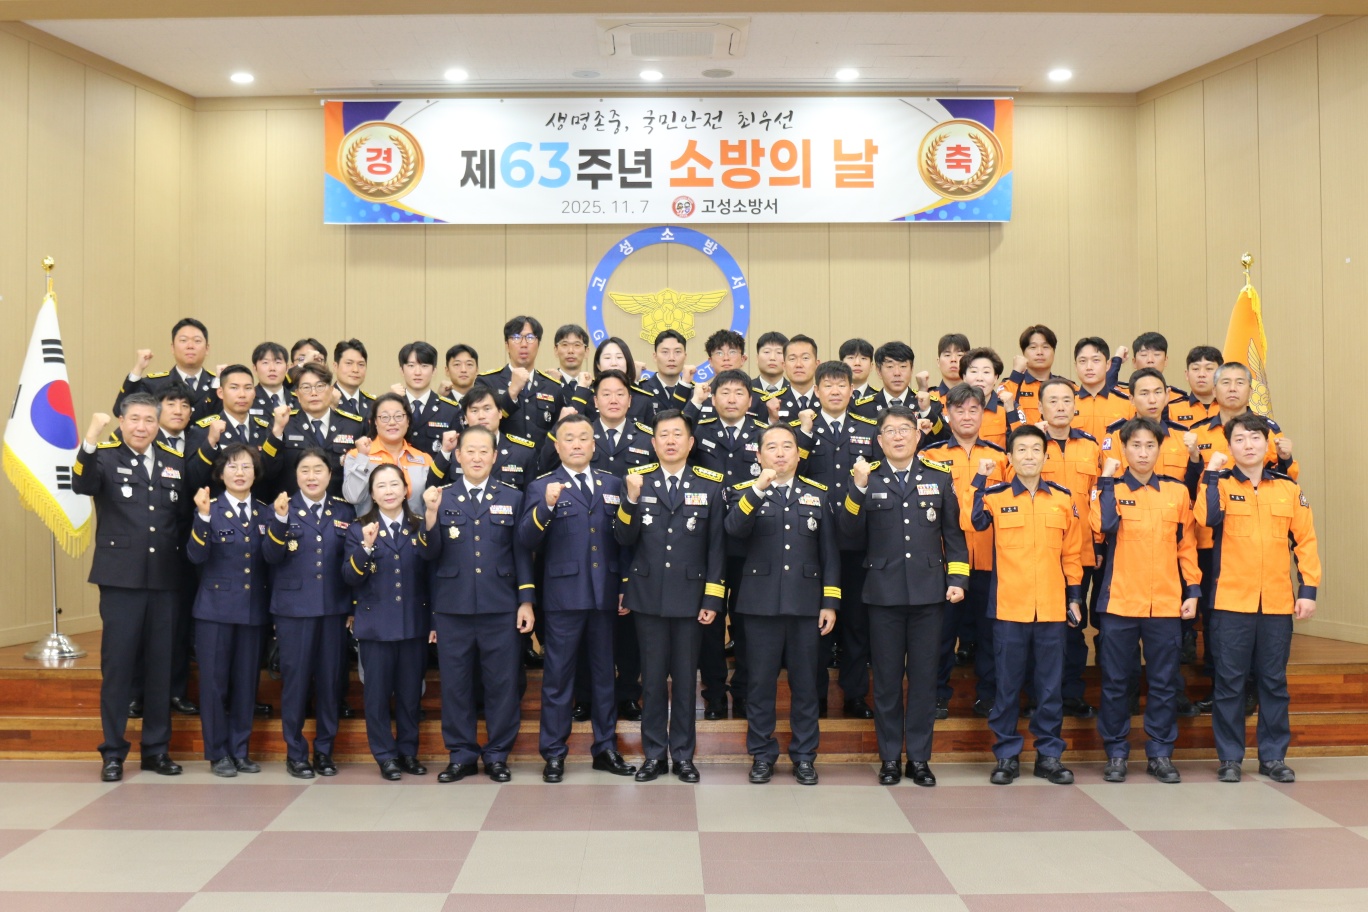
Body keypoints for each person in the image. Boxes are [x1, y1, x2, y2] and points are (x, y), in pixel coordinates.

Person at [839, 405, 969, 786]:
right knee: (887, 681)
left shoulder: (938, 477)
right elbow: (848, 534)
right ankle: (890, 758)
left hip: (929, 595)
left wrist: (957, 579)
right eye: (890, 431)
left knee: (925, 680)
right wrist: (857, 488)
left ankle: (920, 759)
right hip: (883, 596)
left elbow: (954, 535)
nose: (898, 437)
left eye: (905, 430)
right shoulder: (867, 478)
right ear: (879, 441)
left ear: (917, 436)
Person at [1195, 415, 1321, 784]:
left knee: (1273, 683)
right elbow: (1206, 518)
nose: (1248, 445)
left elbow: (1305, 541)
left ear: (1267, 444)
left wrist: (1308, 591)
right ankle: (1230, 758)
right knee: (1230, 683)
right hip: (1231, 602)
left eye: (1254, 438)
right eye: (1239, 439)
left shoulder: (1287, 488)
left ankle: (1273, 757)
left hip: (1277, 603)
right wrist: (1211, 474)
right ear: (1229, 446)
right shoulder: (1219, 483)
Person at [73, 398, 189, 782]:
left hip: (165, 579)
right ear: (121, 421)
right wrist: (91, 438)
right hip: (121, 580)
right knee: (119, 668)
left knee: (160, 668)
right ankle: (113, 752)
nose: (142, 426)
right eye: (134, 419)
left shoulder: (174, 461)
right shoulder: (105, 457)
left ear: (158, 424)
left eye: (149, 420)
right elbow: (81, 483)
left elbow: (180, 518)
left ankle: (156, 750)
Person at [517, 414, 636, 782]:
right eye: (569, 438)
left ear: (594, 444)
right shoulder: (541, 486)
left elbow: (623, 542)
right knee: (558, 679)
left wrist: (624, 585)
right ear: (557, 446)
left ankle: (606, 748)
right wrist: (546, 507)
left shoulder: (612, 483)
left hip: (604, 596)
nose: (577, 444)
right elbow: (525, 539)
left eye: (584, 437)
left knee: (604, 677)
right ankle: (554, 752)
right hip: (563, 598)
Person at [724, 424, 840, 786]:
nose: (779, 453)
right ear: (759, 455)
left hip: (806, 605)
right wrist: (758, 489)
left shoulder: (818, 495)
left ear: (798, 454)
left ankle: (804, 756)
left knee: (806, 685)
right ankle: (762, 754)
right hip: (759, 606)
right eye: (771, 447)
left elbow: (830, 554)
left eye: (787, 446)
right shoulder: (745, 492)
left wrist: (830, 602)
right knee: (760, 685)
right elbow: (733, 530)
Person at [614, 410, 726, 783]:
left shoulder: (710, 485)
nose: (671, 440)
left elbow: (716, 549)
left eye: (678, 434)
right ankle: (653, 756)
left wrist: (712, 599)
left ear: (691, 443)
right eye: (664, 434)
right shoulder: (637, 482)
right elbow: (623, 538)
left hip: (691, 599)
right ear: (654, 442)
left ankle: (683, 756)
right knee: (651, 681)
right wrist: (630, 501)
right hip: (647, 597)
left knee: (684, 680)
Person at [420, 425, 535, 783]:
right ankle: (461, 754)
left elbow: (522, 553)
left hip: (500, 606)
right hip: (452, 608)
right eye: (470, 450)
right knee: (456, 685)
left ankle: (498, 754)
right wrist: (430, 517)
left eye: (484, 451)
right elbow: (429, 556)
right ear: (458, 455)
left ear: (495, 456)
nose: (476, 457)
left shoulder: (513, 497)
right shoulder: (440, 497)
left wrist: (526, 601)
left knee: (502, 685)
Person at [971, 425, 1084, 786]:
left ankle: (1049, 755)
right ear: (1010, 457)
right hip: (1009, 608)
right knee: (1007, 686)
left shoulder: (1063, 499)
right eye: (1021, 449)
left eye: (1036, 449)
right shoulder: (995, 496)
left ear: (1046, 456)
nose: (1029, 456)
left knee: (1050, 688)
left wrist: (1075, 597)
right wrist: (979, 480)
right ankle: (1006, 755)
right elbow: (971, 523)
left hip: (1051, 608)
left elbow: (1072, 553)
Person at [1093, 418, 1201, 784]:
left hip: (1165, 604)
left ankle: (1160, 753)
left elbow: (1186, 546)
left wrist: (1193, 590)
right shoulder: (1109, 487)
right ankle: (1116, 753)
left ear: (1159, 449)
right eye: (1135, 446)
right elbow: (1103, 525)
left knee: (1164, 682)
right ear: (1124, 449)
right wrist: (1106, 481)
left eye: (1150, 446)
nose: (1143, 453)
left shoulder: (1176, 492)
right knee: (1116, 682)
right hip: (1120, 603)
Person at [794, 360, 882, 718]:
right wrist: (803, 435)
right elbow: (790, 471)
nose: (834, 391)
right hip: (811, 541)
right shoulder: (801, 430)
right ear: (816, 391)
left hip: (856, 541)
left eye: (841, 385)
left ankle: (854, 695)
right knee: (814, 625)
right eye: (827, 385)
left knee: (856, 623)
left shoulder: (868, 429)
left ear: (851, 390)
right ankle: (815, 697)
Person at [263, 448, 356, 779]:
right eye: (305, 470)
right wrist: (279, 520)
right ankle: (296, 753)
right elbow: (270, 556)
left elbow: (351, 562)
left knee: (331, 683)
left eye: (319, 470)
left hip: (333, 610)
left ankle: (325, 752)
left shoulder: (343, 510)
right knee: (296, 684)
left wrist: (352, 607)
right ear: (296, 475)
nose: (312, 476)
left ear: (330, 475)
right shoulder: (281, 508)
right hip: (294, 611)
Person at [920, 384, 1009, 720]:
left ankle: (988, 696)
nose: (967, 416)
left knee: (990, 635)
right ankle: (936, 696)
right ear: (947, 414)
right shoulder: (931, 456)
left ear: (983, 413)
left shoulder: (1001, 458)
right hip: (946, 564)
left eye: (974, 409)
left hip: (991, 562)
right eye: (959, 410)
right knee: (941, 636)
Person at [342, 463, 431, 781]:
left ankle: (408, 753)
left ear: (406, 490)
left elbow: (431, 577)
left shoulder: (420, 526)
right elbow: (350, 576)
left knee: (410, 695)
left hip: (413, 624)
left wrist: (433, 621)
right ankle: (385, 756)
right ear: (372, 494)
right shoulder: (358, 529)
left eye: (395, 484)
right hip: (376, 627)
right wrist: (366, 547)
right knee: (377, 697)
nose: (389, 491)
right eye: (381, 486)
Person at [187, 444, 271, 777]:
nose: (240, 473)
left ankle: (240, 750)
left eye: (246, 467)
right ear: (221, 473)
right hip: (215, 611)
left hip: (253, 611)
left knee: (246, 684)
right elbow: (195, 555)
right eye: (233, 467)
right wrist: (203, 517)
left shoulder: (265, 512)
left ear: (255, 473)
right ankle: (218, 752)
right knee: (214, 685)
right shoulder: (209, 509)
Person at [690, 368, 769, 721]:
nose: (732, 399)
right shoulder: (699, 432)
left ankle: (744, 691)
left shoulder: (763, 434)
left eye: (739, 393)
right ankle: (714, 694)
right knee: (709, 622)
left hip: (751, 542)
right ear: (713, 397)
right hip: (706, 541)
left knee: (747, 622)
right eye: (725, 392)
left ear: (750, 400)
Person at [1037, 378, 1103, 720]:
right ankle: (1039, 695)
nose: (1060, 406)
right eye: (1053, 401)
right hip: (1040, 551)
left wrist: (1099, 542)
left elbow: (1099, 497)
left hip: (1082, 550)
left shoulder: (1090, 446)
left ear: (1075, 406)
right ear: (1040, 408)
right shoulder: (1030, 444)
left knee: (1075, 624)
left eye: (1066, 400)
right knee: (1042, 626)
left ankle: (1072, 694)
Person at [187, 363, 289, 497]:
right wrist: (210, 443)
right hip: (219, 507)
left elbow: (271, 474)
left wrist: (276, 433)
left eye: (248, 388)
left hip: (258, 507)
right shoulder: (204, 430)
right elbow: (194, 480)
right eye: (234, 388)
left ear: (254, 393)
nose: (242, 394)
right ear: (220, 393)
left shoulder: (265, 428)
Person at [342, 393, 447, 516]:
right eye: (384, 417)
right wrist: (362, 458)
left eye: (398, 416)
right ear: (375, 422)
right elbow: (353, 497)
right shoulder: (356, 455)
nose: (392, 422)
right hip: (370, 527)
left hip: (415, 527)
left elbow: (429, 505)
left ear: (408, 421)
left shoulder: (424, 459)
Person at [278, 362, 365, 497]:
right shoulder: (284, 424)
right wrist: (276, 433)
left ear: (331, 390)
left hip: (340, 506)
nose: (313, 393)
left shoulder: (353, 426)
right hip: (295, 506)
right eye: (306, 388)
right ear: (297, 394)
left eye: (320, 386)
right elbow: (269, 470)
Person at [479, 315, 564, 448]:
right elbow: (482, 425)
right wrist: (512, 391)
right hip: (501, 459)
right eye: (516, 337)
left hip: (541, 460)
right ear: (507, 345)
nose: (524, 344)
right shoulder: (487, 382)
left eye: (530, 338)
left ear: (538, 344)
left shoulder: (552, 387)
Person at [437, 382, 539, 490]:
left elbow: (531, 496)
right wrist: (445, 453)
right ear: (465, 418)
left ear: (500, 413)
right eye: (474, 410)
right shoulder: (453, 450)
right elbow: (434, 488)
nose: (481, 416)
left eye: (487, 409)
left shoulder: (523, 453)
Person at [114, 318, 217, 420]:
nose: (190, 346)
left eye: (197, 341)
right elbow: (120, 410)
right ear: (172, 348)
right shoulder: (154, 384)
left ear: (207, 349)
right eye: (183, 340)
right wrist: (138, 369)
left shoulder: (218, 384)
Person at [396, 341, 463, 456]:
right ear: (402, 370)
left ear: (434, 371)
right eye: (411, 366)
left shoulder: (450, 410)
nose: (417, 372)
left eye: (424, 366)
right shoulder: (392, 406)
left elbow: (457, 454)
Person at [959, 347, 1025, 449]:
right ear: (964, 377)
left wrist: (1011, 413)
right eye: (974, 371)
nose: (979, 378)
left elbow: (1022, 444)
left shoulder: (1010, 407)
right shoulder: (954, 408)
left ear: (995, 378)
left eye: (986, 372)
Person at [1071, 337, 1133, 443]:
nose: (1089, 367)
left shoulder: (1128, 404)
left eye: (1096, 360)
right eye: (1082, 361)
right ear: (1076, 367)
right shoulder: (1066, 404)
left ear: (1108, 365)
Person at [1004, 325, 1068, 426]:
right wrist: (1016, 373)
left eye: (1045, 347)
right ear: (1023, 353)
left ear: (1054, 352)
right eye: (1033, 347)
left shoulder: (1068, 387)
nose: (1040, 352)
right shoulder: (1012, 385)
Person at [638, 329, 696, 415]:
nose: (671, 358)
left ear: (685, 356)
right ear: (655, 356)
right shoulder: (642, 390)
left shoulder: (694, 392)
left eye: (677, 352)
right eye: (665, 352)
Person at [1168, 345, 1222, 429]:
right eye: (1196, 369)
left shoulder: (1230, 408)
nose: (1201, 374)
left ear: (1221, 374)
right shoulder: (1171, 410)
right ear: (1187, 374)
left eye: (1209, 368)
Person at [332, 338, 375, 420]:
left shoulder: (373, 404)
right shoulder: (325, 401)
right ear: (335, 366)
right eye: (349, 363)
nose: (355, 370)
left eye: (361, 364)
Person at [250, 341, 291, 417]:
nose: (272, 368)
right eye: (265, 363)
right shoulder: (248, 399)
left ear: (287, 368)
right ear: (255, 369)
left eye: (278, 362)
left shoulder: (299, 400)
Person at [752, 331, 789, 396]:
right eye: (767, 352)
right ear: (757, 358)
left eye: (779, 352)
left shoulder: (794, 391)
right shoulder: (746, 390)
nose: (772, 358)